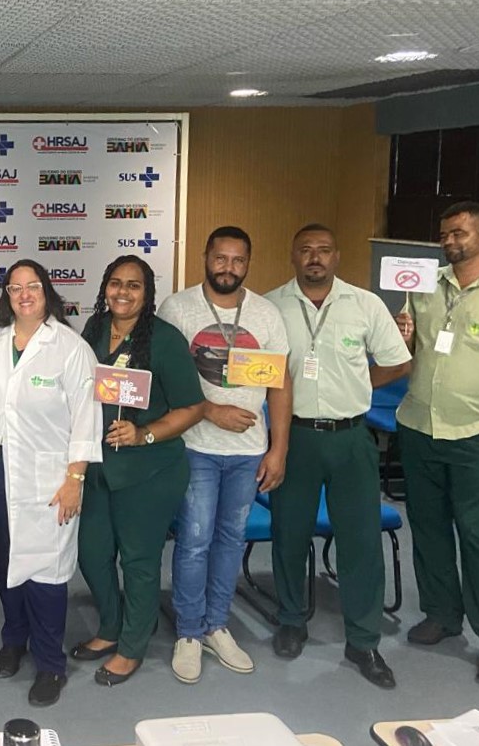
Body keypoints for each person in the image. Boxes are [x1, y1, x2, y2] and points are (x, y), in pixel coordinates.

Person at [265, 225, 411, 688]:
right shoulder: (269, 306)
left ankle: (363, 640)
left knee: (361, 541)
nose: (315, 257)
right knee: (289, 532)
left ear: (337, 256)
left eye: (324, 250)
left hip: (351, 437)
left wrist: (359, 383)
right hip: (294, 437)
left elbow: (398, 361)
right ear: (293, 255)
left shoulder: (365, 305)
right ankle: (292, 620)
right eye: (306, 250)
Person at [395, 201, 479, 684]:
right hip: (418, 428)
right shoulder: (423, 285)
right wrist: (400, 336)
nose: (450, 241)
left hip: (476, 436)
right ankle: (442, 615)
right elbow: (405, 353)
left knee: (476, 537)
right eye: (444, 235)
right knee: (428, 529)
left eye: (460, 233)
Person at [156, 225, 292, 684]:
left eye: (237, 260)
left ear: (247, 263)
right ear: (205, 257)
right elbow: (164, 379)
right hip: (196, 447)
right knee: (194, 540)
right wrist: (210, 410)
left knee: (231, 541)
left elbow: (281, 384)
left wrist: (278, 448)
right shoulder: (177, 309)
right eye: (220, 258)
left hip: (249, 452)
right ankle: (189, 632)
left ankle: (216, 625)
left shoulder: (267, 314)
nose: (228, 267)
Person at [0, 259, 102, 707]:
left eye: (33, 286)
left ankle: (50, 664)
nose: (24, 294)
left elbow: (87, 417)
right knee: (3, 561)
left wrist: (75, 478)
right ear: (6, 294)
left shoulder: (70, 347)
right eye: (15, 287)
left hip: (49, 479)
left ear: (47, 292)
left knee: (46, 573)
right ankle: (14, 638)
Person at [69, 255, 205, 687]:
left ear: (147, 294)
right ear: (104, 288)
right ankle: (110, 627)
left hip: (150, 472)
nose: (122, 292)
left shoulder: (164, 339)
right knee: (92, 553)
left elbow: (193, 407)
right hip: (99, 468)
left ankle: (131, 647)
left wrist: (143, 433)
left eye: (133, 285)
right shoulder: (94, 329)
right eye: (115, 283)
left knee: (139, 561)